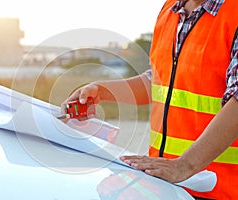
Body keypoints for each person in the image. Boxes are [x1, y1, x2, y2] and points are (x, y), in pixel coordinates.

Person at [62, 0, 238, 199]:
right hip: (164, 184)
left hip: (218, 189)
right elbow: (159, 81)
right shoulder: (170, 9)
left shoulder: (234, 14)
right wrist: (103, 91)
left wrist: (184, 165)